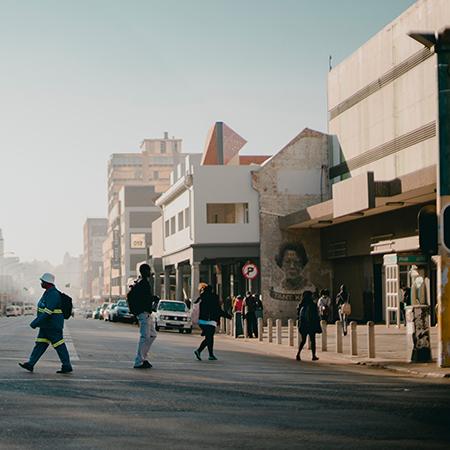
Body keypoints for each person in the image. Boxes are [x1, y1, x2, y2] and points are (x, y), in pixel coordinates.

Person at [19, 273, 73, 374]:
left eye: (42, 281)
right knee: (40, 344)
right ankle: (31, 364)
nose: (41, 283)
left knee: (59, 345)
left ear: (47, 283)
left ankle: (67, 365)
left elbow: (48, 311)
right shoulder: (48, 292)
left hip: (52, 325)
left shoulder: (53, 294)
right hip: (46, 325)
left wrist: (35, 323)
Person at [127, 263, 157, 369]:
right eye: (148, 270)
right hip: (144, 313)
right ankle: (139, 361)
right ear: (144, 271)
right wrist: (153, 298)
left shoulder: (141, 282)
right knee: (144, 337)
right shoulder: (143, 283)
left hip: (146, 313)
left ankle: (143, 357)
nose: (150, 272)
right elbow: (145, 298)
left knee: (152, 335)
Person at [194, 284, 231, 361]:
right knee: (209, 338)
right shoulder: (214, 297)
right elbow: (218, 310)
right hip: (210, 321)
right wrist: (228, 316)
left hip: (201, 321)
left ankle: (208, 354)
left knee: (209, 337)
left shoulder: (201, 297)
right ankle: (201, 351)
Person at [295, 290, 321, 361]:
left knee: (303, 340)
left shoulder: (301, 305)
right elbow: (316, 316)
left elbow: (298, 316)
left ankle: (298, 354)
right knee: (313, 340)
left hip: (303, 325)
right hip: (311, 325)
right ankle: (313, 355)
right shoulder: (312, 304)